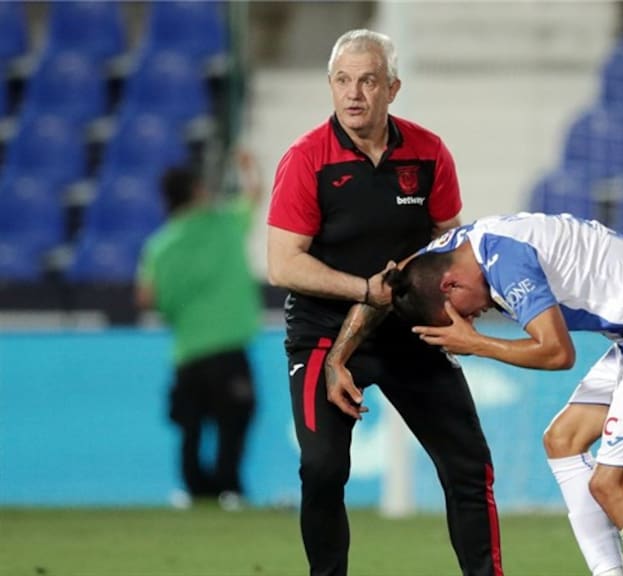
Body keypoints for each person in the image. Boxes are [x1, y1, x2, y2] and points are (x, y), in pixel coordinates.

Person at [266, 28, 504, 576]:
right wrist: (364, 291)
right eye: (343, 81)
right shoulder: (306, 160)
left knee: (469, 465)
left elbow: (453, 242)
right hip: (324, 333)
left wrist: (461, 311)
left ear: (392, 88)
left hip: (410, 332)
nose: (354, 94)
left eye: (368, 81)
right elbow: (284, 264)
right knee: (322, 469)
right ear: (330, 86)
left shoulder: (428, 153)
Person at [381, 212, 623, 576]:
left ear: (450, 286)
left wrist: (476, 344)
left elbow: (559, 353)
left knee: (612, 486)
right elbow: (390, 280)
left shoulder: (507, 263)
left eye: (461, 315)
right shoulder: (454, 248)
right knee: (562, 440)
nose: (473, 319)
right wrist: (339, 356)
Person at [136, 160, 263, 509]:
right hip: (228, 348)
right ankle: (229, 489)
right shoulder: (222, 225)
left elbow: (146, 296)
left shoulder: (159, 245)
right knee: (234, 420)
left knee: (191, 425)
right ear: (195, 192)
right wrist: (249, 168)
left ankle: (194, 491)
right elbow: (253, 196)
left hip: (188, 351)